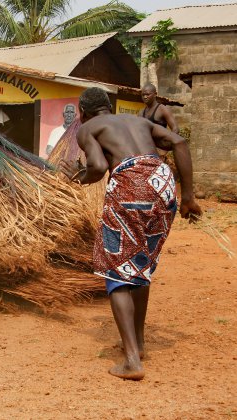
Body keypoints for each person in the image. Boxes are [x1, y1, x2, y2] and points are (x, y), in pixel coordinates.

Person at [59, 87, 202, 381]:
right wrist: (188, 197)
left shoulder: (88, 128)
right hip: (163, 184)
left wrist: (80, 177)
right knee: (140, 265)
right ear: (108, 106)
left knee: (117, 271)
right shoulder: (138, 122)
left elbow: (98, 167)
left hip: (130, 185)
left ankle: (132, 361)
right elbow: (179, 141)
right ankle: (140, 343)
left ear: (83, 112)